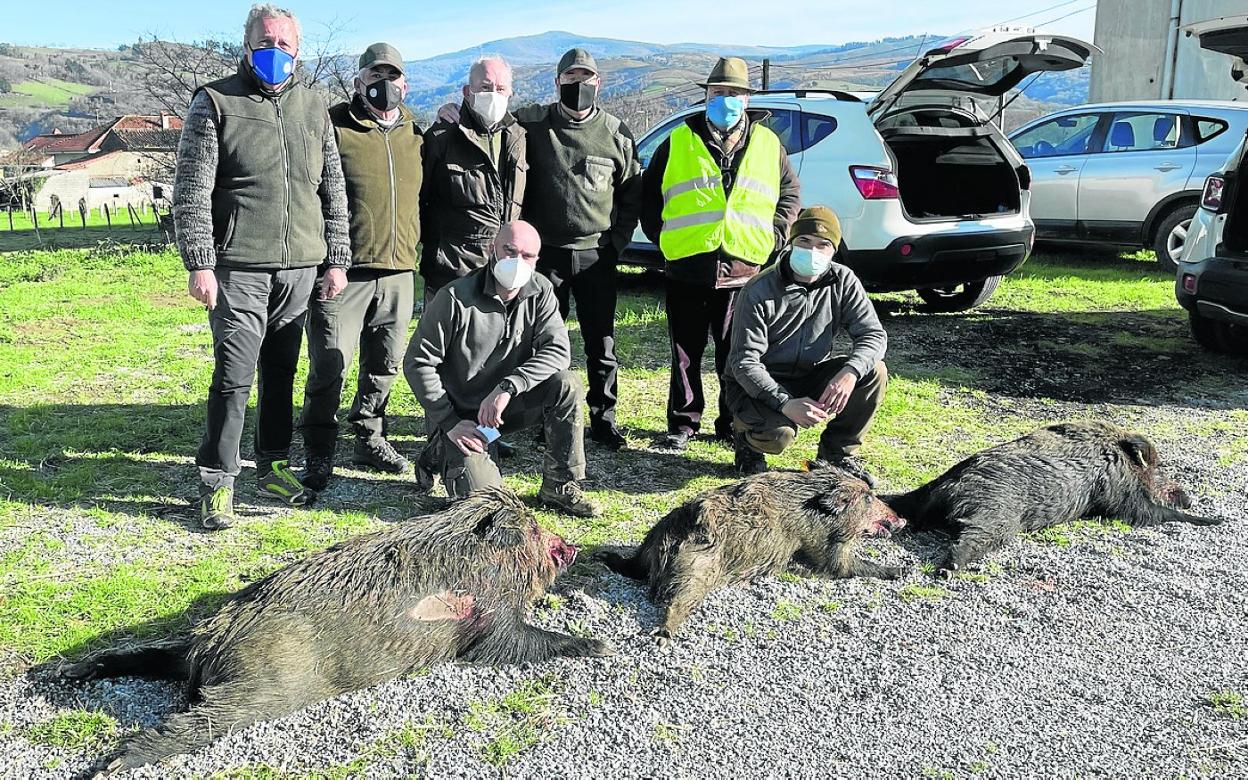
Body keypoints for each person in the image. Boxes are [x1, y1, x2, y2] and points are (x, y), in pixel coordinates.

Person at [174, 3, 351, 530]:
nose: (276, 51)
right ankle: (217, 481)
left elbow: (333, 188)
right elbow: (191, 192)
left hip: (299, 266)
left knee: (281, 373)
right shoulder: (215, 102)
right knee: (233, 376)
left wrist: (336, 258)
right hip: (238, 267)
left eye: (285, 44)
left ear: (299, 50)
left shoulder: (315, 106)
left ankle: (272, 466)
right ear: (247, 45)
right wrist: (201, 263)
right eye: (265, 42)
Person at [435, 48, 642, 449]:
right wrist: (454, 109)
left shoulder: (616, 132)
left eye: (586, 79)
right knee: (538, 340)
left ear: (598, 84)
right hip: (542, 256)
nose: (577, 86)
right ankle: (539, 417)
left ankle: (603, 418)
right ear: (557, 82)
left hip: (597, 254)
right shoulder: (532, 122)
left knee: (602, 343)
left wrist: (616, 243)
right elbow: (489, 120)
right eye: (569, 79)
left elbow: (632, 193)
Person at [640, 56, 801, 451]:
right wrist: (666, 241)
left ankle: (732, 423)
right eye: (717, 94)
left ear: (746, 99)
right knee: (684, 354)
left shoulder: (768, 144)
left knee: (736, 356)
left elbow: (790, 196)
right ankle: (682, 425)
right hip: (687, 266)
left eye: (732, 94)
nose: (724, 100)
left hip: (744, 269)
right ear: (706, 97)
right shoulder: (678, 139)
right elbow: (649, 197)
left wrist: (774, 237)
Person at [403, 220, 600, 518]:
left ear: (537, 260)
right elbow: (418, 362)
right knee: (490, 509)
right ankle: (439, 450)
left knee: (567, 384)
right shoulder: (454, 297)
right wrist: (449, 420)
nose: (517, 261)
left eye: (527, 256)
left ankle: (559, 486)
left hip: (503, 406)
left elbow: (558, 351)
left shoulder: (541, 291)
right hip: (461, 416)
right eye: (509, 250)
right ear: (493, 249)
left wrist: (508, 387)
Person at [299, 43, 423, 491]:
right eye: (375, 75)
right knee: (330, 363)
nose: (384, 84)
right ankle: (318, 446)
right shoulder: (333, 127)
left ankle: (369, 435)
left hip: (399, 269)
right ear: (358, 81)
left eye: (393, 76)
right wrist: (328, 258)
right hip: (342, 271)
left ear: (405, 83)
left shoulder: (416, 133)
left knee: (385, 364)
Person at [722, 206, 888, 485]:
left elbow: (873, 334)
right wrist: (785, 403)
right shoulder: (759, 289)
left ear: (834, 250)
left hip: (809, 373)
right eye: (804, 242)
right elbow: (744, 362)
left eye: (823, 245)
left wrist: (849, 373)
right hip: (758, 383)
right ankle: (746, 442)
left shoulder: (844, 280)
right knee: (779, 436)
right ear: (790, 243)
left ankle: (836, 455)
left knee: (875, 372)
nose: (813, 252)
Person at [418, 56, 527, 304]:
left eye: (500, 89)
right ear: (467, 92)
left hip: (503, 272)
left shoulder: (518, 137)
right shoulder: (441, 137)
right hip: (450, 276)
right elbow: (418, 200)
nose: (493, 95)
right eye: (485, 87)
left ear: (510, 93)